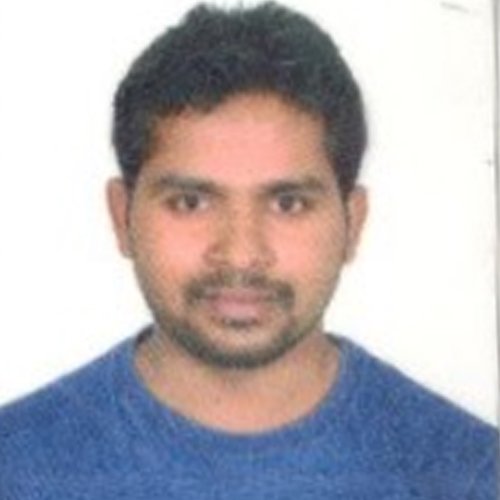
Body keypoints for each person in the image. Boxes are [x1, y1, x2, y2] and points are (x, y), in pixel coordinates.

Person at [0, 2, 498, 498]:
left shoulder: (469, 474)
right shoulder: (16, 469)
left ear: (353, 223)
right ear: (121, 216)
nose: (240, 254)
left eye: (288, 204)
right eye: (190, 202)